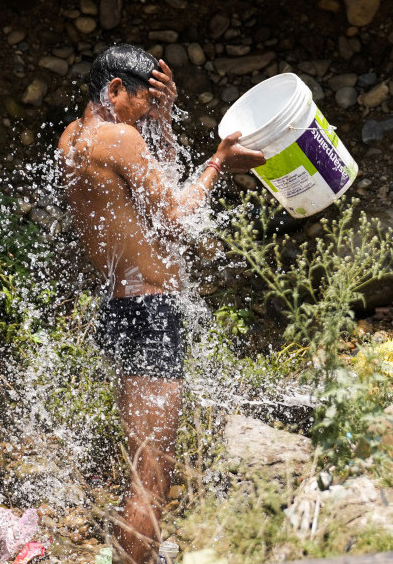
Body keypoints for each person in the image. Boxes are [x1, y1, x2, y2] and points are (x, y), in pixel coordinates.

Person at [57, 44, 266, 564]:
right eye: (142, 103)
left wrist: (167, 123)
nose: (146, 115)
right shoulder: (120, 136)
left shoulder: (74, 139)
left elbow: (150, 194)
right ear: (113, 91)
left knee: (142, 462)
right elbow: (175, 215)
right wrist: (218, 163)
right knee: (152, 471)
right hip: (152, 314)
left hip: (118, 309)